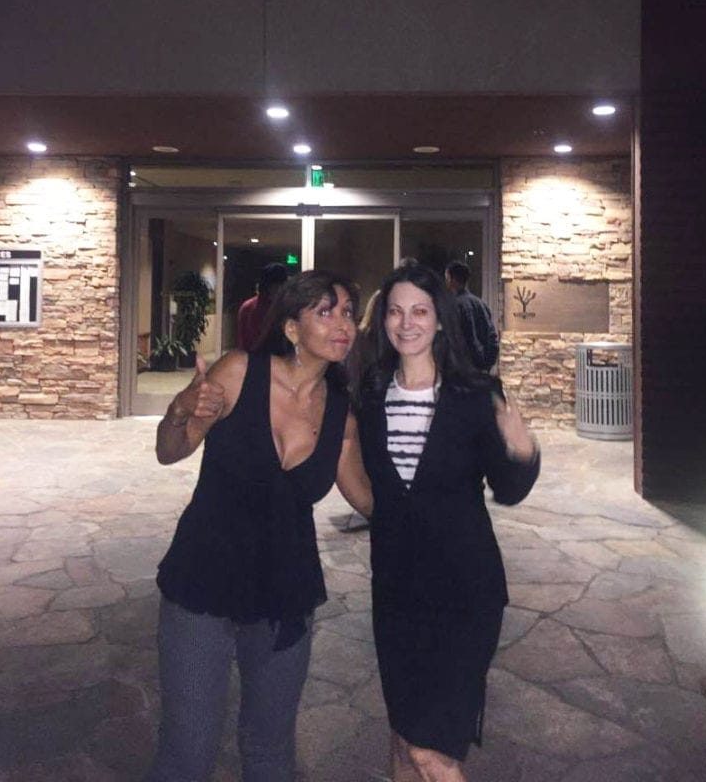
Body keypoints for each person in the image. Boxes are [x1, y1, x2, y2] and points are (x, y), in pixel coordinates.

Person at [144, 270, 373, 782]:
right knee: (188, 750)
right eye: (325, 311)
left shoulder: (341, 412)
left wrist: (438, 510)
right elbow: (169, 450)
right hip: (202, 580)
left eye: (348, 313)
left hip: (284, 592)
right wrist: (182, 407)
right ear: (292, 327)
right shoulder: (238, 370)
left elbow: (367, 498)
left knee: (271, 752)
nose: (343, 324)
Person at [358, 262, 539, 782]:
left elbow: (509, 489)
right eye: (395, 311)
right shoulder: (370, 394)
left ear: (440, 320)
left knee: (431, 753)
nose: (406, 322)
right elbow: (360, 477)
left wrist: (522, 449)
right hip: (396, 593)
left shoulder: (475, 395)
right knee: (401, 736)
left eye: (420, 310)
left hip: (466, 594)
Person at [444, 259, 499, 372]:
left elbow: (463, 337)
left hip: (462, 369)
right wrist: (488, 363)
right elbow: (492, 336)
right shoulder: (480, 304)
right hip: (481, 368)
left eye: (447, 278)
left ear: (451, 279)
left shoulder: (455, 306)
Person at [236, 261, 288, 351]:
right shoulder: (250, 307)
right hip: (259, 356)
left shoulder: (285, 305)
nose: (279, 289)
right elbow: (245, 340)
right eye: (276, 286)